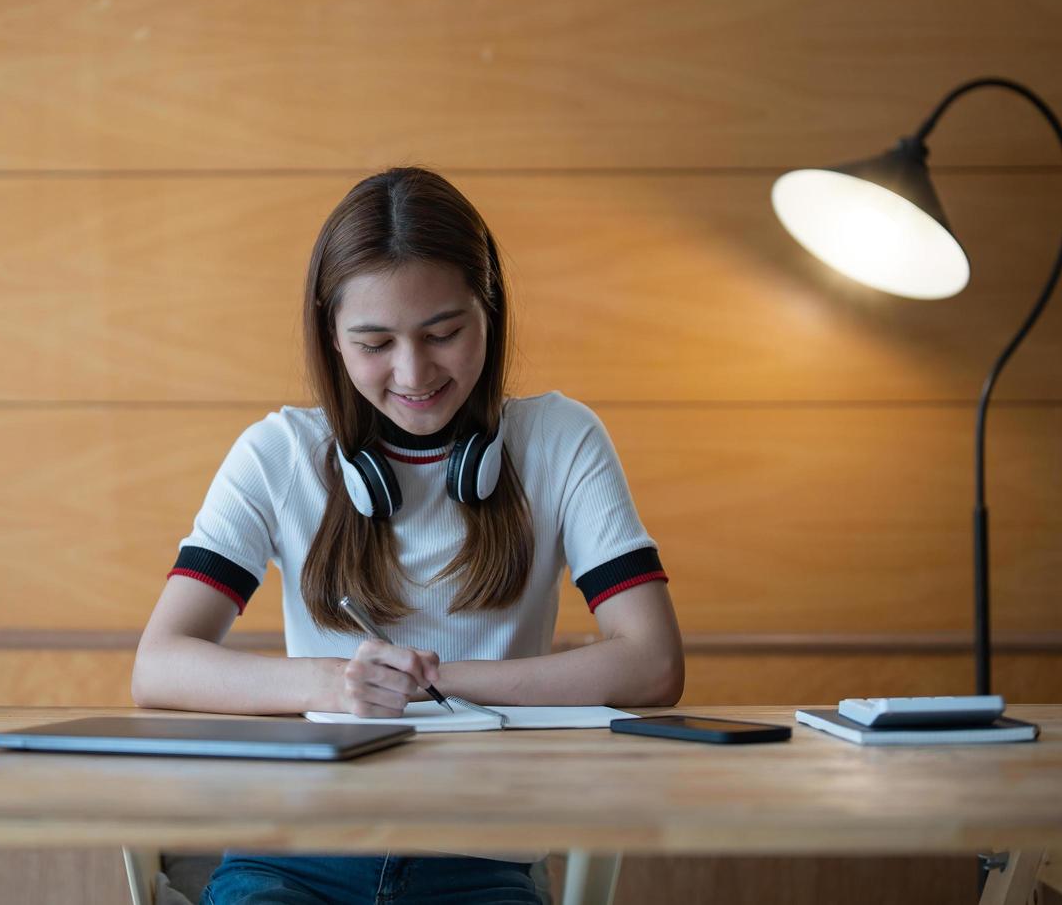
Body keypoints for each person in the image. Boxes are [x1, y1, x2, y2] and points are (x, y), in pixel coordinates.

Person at [132, 167, 685, 905]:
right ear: (331, 336)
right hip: (291, 855)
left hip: (480, 861)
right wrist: (336, 684)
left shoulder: (560, 440)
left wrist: (434, 682)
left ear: (489, 310)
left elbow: (651, 664)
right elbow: (159, 665)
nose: (413, 371)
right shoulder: (278, 454)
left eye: (443, 333)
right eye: (373, 342)